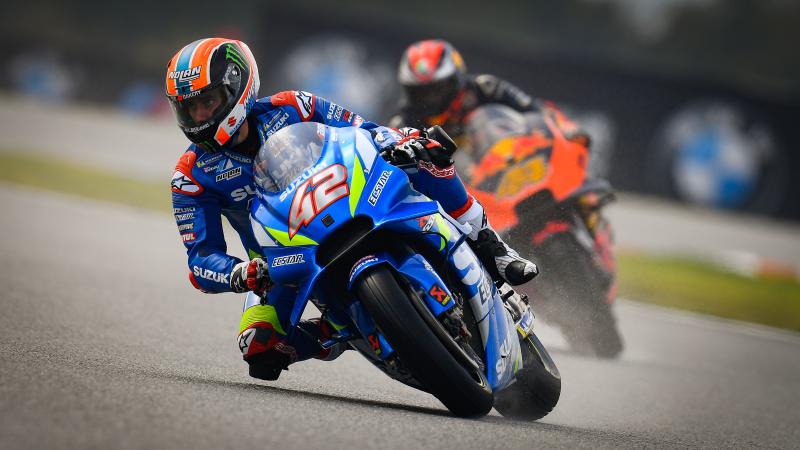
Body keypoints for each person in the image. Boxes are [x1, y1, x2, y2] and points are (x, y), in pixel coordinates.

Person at [166, 38, 538, 381]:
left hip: (351, 201)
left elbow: (363, 129)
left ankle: (492, 246)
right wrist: (239, 273)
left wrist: (403, 140)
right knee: (258, 349)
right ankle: (342, 331)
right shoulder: (190, 177)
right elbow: (201, 260)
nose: (200, 116)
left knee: (427, 154)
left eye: (208, 101)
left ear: (236, 88)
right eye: (190, 108)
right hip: (282, 259)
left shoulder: (294, 106)